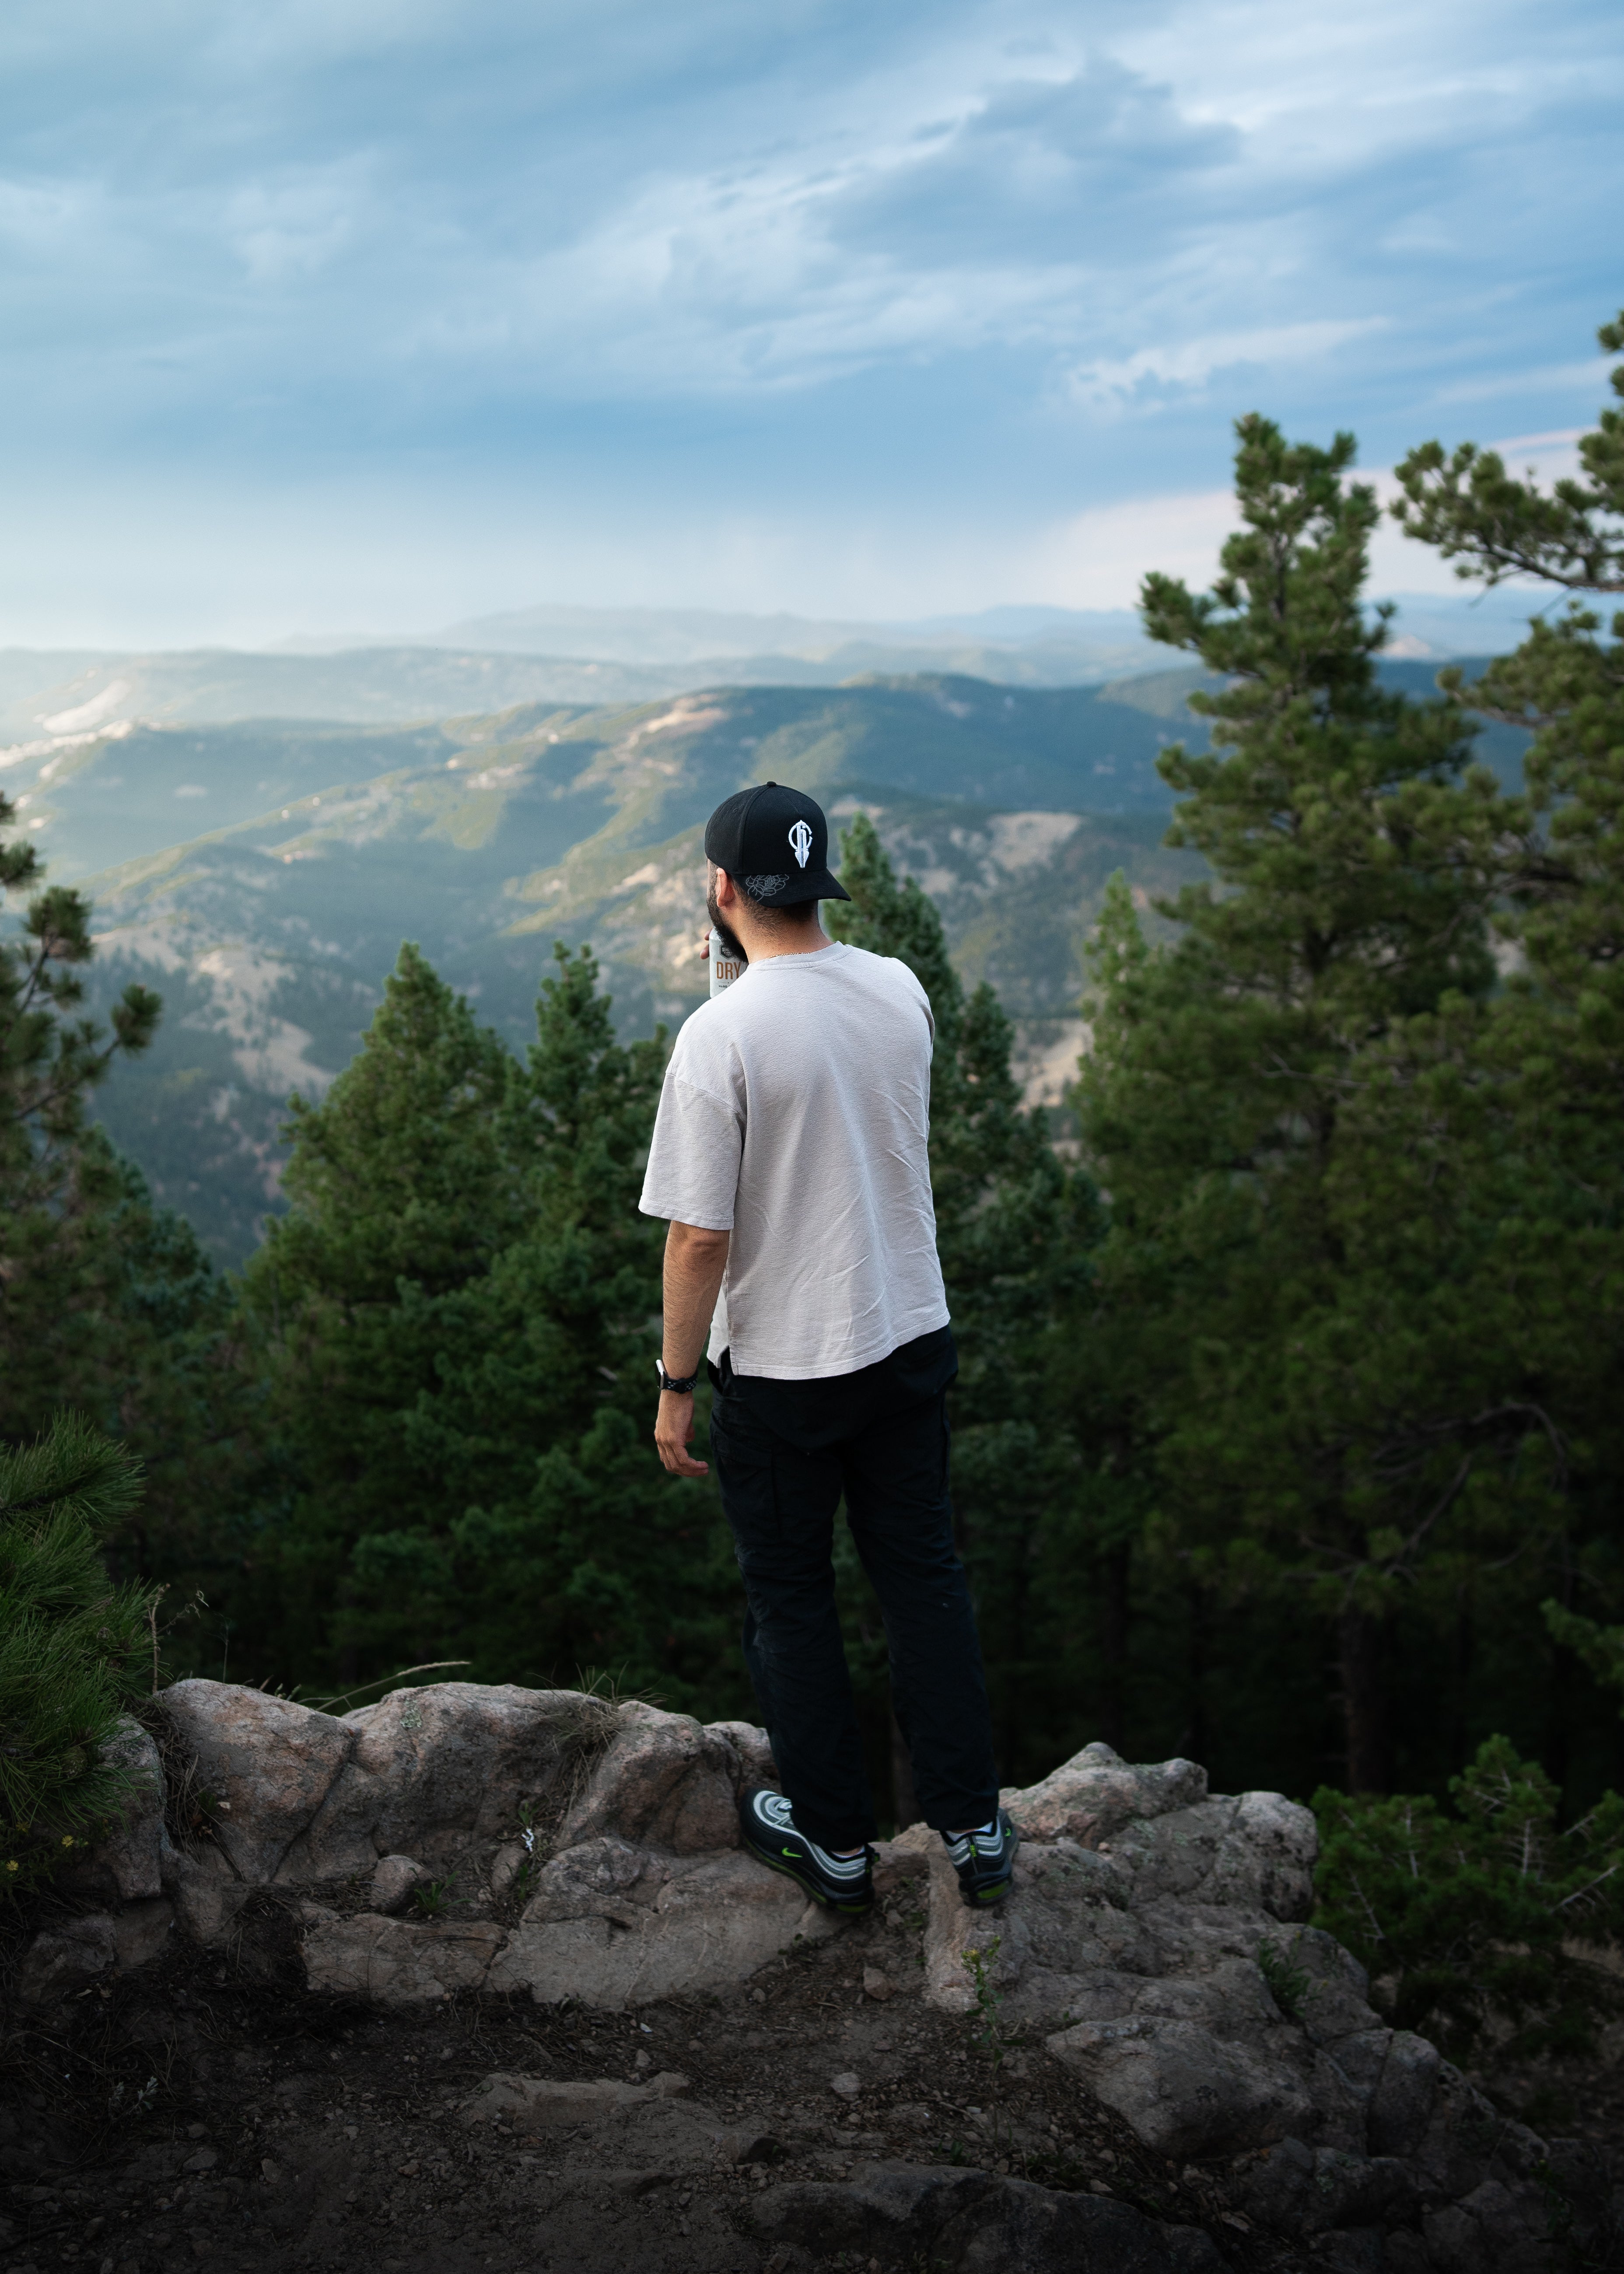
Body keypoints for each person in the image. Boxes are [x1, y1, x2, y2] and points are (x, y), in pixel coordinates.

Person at [638, 780, 1017, 1917]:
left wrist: (674, 1386)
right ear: (817, 879)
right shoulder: (899, 991)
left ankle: (836, 1845)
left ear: (720, 889)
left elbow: (702, 1236)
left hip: (789, 1372)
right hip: (906, 1336)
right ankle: (974, 1827)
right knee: (924, 1585)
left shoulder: (721, 1037)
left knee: (793, 1601)